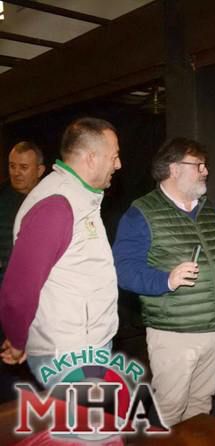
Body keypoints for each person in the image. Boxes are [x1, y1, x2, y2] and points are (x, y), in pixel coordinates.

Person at [112, 137, 215, 427]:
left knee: (200, 406)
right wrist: (166, 280)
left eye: (205, 165)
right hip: (174, 334)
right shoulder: (141, 214)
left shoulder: (212, 211)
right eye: (199, 165)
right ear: (174, 169)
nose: (206, 171)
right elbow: (124, 269)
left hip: (214, 330)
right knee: (169, 410)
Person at [0, 117, 122, 386]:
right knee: (89, 416)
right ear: (91, 158)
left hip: (84, 346)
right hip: (70, 353)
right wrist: (18, 339)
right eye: (114, 156)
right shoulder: (56, 205)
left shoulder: (79, 198)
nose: (118, 164)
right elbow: (19, 288)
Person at [0, 141, 45, 283]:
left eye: (23, 167)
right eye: (12, 166)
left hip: (40, 282)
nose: (16, 173)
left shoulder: (51, 200)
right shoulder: (2, 196)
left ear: (39, 170)